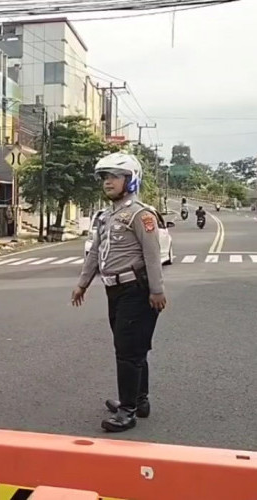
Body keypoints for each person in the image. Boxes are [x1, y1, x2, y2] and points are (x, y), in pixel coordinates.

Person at [71, 152, 167, 433]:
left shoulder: (142, 214)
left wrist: (156, 290)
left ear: (131, 180)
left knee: (128, 351)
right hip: (115, 291)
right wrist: (82, 283)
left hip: (136, 291)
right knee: (132, 349)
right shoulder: (105, 216)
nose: (108, 182)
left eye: (114, 176)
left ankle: (128, 411)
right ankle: (139, 399)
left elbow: (152, 254)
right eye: (105, 177)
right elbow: (94, 254)